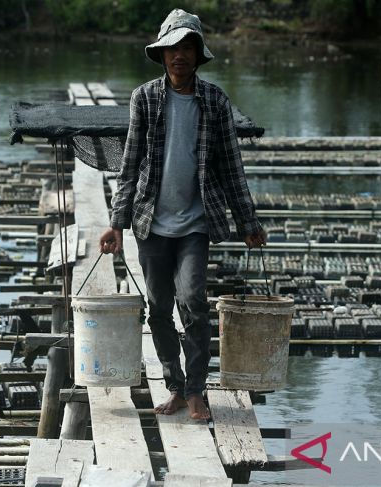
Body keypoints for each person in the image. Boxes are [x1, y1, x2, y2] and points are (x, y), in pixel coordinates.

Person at [98, 8, 266, 420]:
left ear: (198, 54)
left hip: (195, 223)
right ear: (162, 54)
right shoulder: (145, 98)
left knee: (193, 301)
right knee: (158, 308)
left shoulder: (214, 101)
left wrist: (248, 222)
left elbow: (231, 166)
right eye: (173, 48)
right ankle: (173, 386)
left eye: (187, 47)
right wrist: (116, 222)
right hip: (150, 222)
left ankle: (196, 391)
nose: (180, 55)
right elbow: (131, 162)